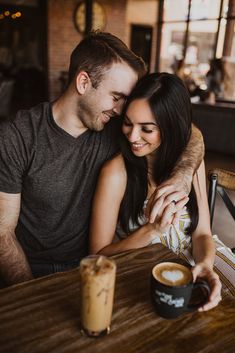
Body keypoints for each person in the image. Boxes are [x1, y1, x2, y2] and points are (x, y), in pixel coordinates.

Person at [0, 32, 204, 286]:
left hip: (96, 265)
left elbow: (186, 131)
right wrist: (30, 293)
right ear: (84, 82)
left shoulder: (116, 127)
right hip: (31, 268)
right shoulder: (18, 136)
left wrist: (183, 175)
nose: (121, 110)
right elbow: (3, 235)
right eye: (116, 97)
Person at [90, 72, 235, 310]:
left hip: (202, 257)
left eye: (146, 129)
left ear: (170, 126)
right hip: (148, 271)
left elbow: (202, 235)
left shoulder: (189, 165)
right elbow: (96, 257)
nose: (133, 137)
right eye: (128, 123)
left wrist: (206, 265)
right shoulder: (116, 173)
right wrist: (151, 230)